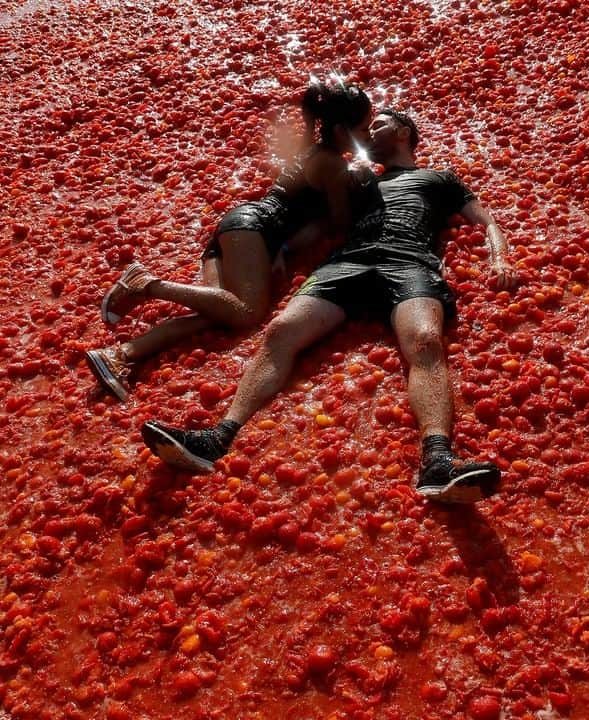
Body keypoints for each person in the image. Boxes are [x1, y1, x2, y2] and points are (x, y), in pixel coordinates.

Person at [140, 109, 515, 504]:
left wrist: (499, 258)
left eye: (378, 126)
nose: (368, 134)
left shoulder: (439, 178)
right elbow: (327, 224)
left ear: (404, 132)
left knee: (425, 340)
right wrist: (284, 248)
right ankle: (216, 439)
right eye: (365, 128)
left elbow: (485, 221)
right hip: (346, 262)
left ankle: (437, 460)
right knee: (280, 331)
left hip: (410, 261)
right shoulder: (360, 180)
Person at [85, 79, 373, 401]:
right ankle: (148, 285)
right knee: (247, 312)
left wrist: (282, 248)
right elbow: (340, 223)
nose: (369, 137)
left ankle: (121, 355)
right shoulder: (334, 164)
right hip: (254, 231)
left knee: (217, 314)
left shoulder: (312, 147)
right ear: (339, 132)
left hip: (239, 228)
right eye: (364, 130)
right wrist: (361, 186)